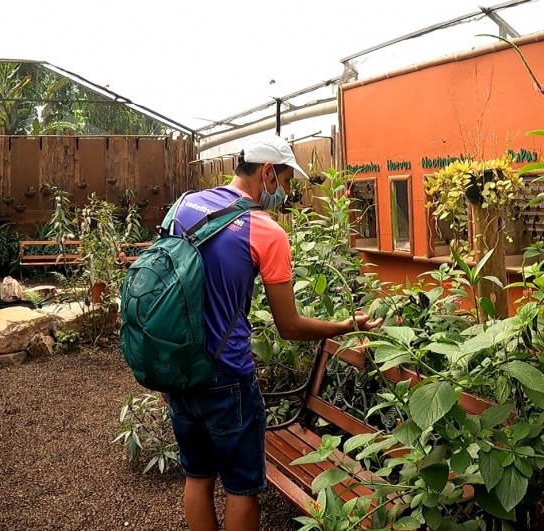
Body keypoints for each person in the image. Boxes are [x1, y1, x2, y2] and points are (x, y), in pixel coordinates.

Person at [163, 134, 382, 531]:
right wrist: (347, 324)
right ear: (267, 172)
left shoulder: (184, 205)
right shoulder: (265, 231)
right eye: (283, 181)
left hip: (177, 366)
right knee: (241, 488)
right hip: (226, 375)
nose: (284, 192)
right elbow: (290, 326)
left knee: (197, 477)